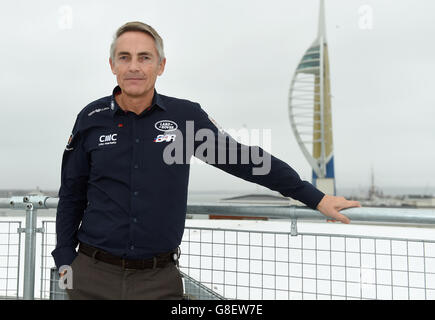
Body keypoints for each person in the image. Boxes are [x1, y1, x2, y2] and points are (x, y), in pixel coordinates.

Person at [52, 21, 361, 300]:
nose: (134, 67)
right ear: (112, 65)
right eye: (125, 57)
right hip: (92, 276)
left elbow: (245, 160)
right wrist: (65, 258)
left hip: (158, 281)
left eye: (144, 57)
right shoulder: (91, 118)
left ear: (160, 66)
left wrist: (314, 196)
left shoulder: (185, 118)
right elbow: (71, 194)